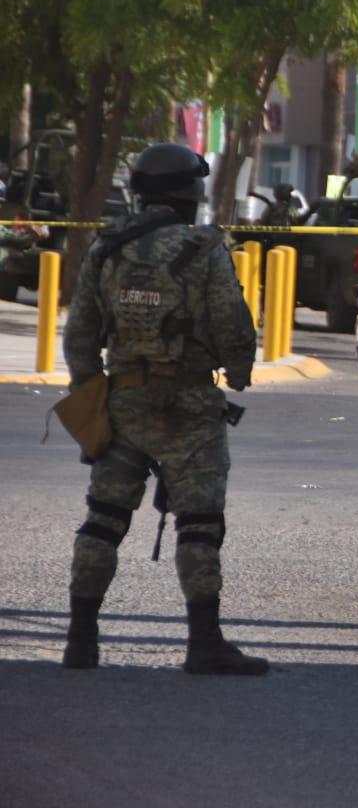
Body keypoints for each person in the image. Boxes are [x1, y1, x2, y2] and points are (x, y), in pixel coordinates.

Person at [60, 142, 266, 675]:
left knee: (103, 520)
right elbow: (232, 326)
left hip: (122, 403)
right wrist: (239, 374)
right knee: (198, 524)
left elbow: (79, 334)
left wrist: (92, 395)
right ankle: (204, 644)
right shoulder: (204, 248)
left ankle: (81, 640)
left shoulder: (108, 249)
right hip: (191, 408)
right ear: (189, 195)